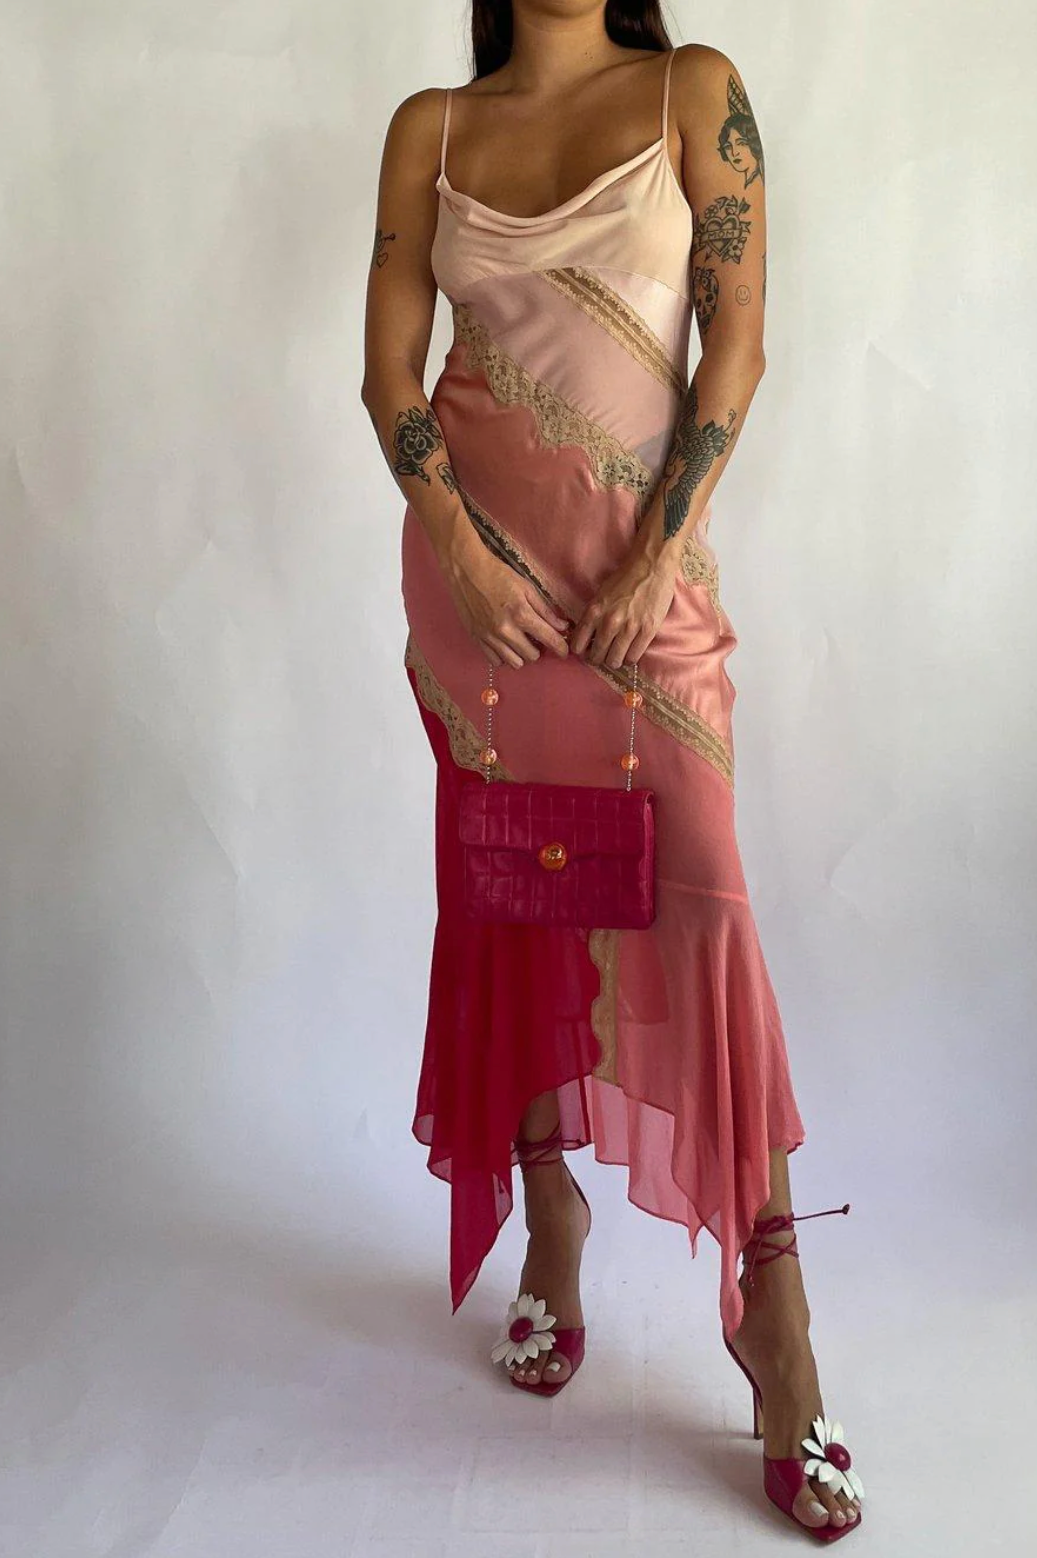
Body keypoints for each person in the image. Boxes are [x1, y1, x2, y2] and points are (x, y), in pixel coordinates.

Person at [361, 1, 864, 1540]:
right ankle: (551, 1219)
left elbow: (738, 347)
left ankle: (774, 1319)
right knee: (510, 897)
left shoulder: (691, 93)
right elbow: (391, 380)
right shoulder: (433, 129)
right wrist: (461, 552)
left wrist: (659, 556)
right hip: (482, 608)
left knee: (702, 898)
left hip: (645, 592)